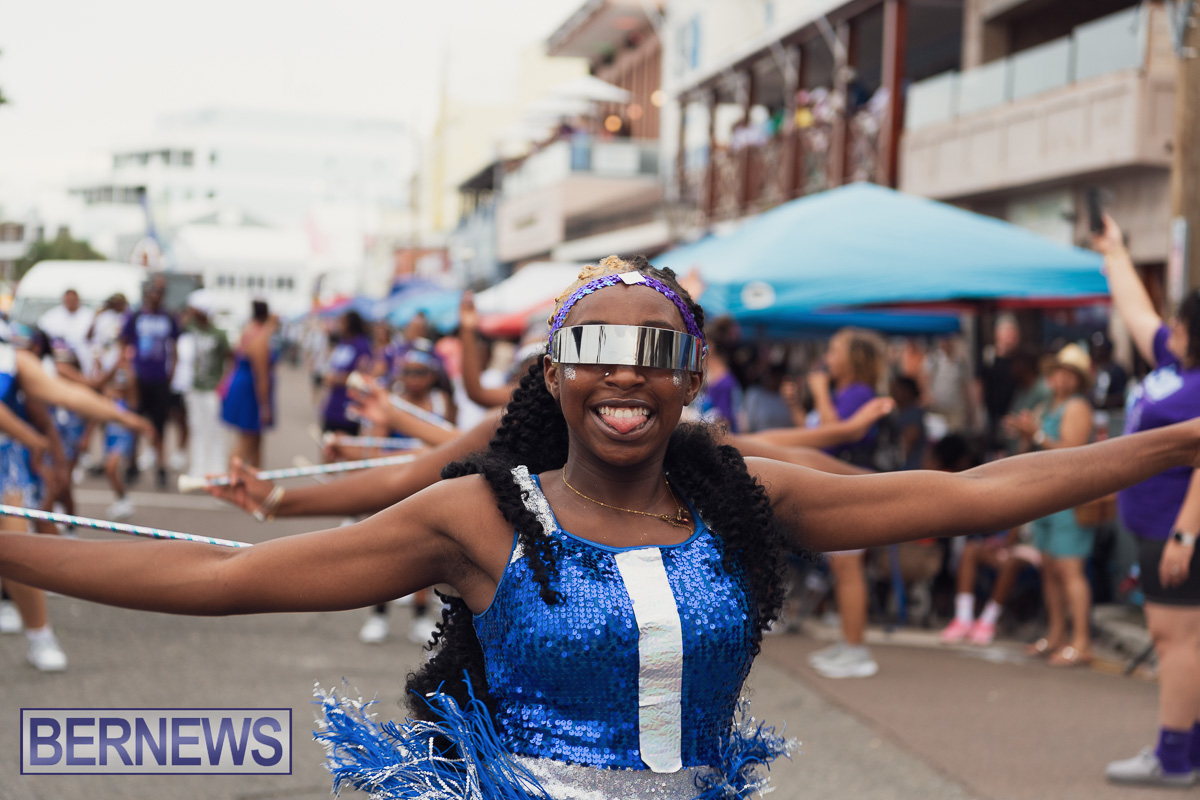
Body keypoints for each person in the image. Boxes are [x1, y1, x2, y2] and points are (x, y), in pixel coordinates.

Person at [5, 256, 1199, 798]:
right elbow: (223, 580)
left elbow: (982, 489)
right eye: (595, 349)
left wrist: (1180, 441)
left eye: (655, 352)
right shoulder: (480, 514)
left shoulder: (747, 494)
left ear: (690, 379)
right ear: (554, 373)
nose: (625, 374)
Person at [1097, 217, 1200, 787]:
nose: (1171, 325)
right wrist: (1115, 252)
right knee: (1182, 639)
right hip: (1156, 526)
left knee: (1175, 639)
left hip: (1175, 530)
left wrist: (1185, 535)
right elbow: (1138, 314)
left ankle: (1175, 757)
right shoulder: (1174, 364)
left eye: (1181, 321)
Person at [1005, 343, 1096, 667]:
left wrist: (1037, 434)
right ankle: (1056, 634)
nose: (1063, 378)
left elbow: (1072, 453)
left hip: (1069, 500)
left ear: (1079, 380)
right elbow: (1030, 450)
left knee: (1070, 571)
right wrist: (1025, 433)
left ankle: (1081, 641)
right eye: (1059, 372)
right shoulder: (1046, 406)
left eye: (1070, 373)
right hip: (1046, 498)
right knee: (1049, 571)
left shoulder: (1077, 407)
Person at [804, 327, 886, 679]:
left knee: (850, 569)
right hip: (840, 482)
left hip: (852, 483)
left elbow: (833, 433)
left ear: (854, 359)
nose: (828, 358)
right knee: (841, 569)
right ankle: (848, 641)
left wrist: (820, 392)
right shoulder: (846, 391)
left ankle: (856, 649)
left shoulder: (859, 392)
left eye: (835, 351)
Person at [122, 283, 180, 488]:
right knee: (135, 423)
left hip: (159, 379)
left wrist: (171, 374)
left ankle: (161, 466)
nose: (155, 298)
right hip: (139, 379)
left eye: (159, 294)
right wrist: (129, 375)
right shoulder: (136, 316)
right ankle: (132, 464)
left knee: (159, 425)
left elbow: (174, 348)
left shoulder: (168, 318)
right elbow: (124, 345)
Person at [181, 290, 232, 478]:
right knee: (197, 429)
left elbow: (231, 360)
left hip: (213, 389)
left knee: (215, 431)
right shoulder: (190, 328)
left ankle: (217, 470)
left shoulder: (219, 334)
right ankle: (198, 468)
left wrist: (223, 383)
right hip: (195, 387)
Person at [221, 300, 275, 469]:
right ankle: (228, 477)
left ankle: (256, 475)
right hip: (250, 393)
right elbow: (262, 375)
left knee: (255, 439)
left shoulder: (247, 331)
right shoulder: (260, 338)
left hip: (242, 387)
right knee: (247, 440)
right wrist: (265, 405)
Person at [321, 310, 373, 437]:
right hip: (333, 405)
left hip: (348, 408)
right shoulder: (343, 342)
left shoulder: (361, 345)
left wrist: (338, 379)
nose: (339, 325)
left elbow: (363, 376)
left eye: (342, 322)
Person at [38, 289, 94, 369]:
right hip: (60, 355)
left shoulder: (89, 315)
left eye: (73, 299)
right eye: (68, 300)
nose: (71, 302)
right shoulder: (52, 315)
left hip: (84, 355)